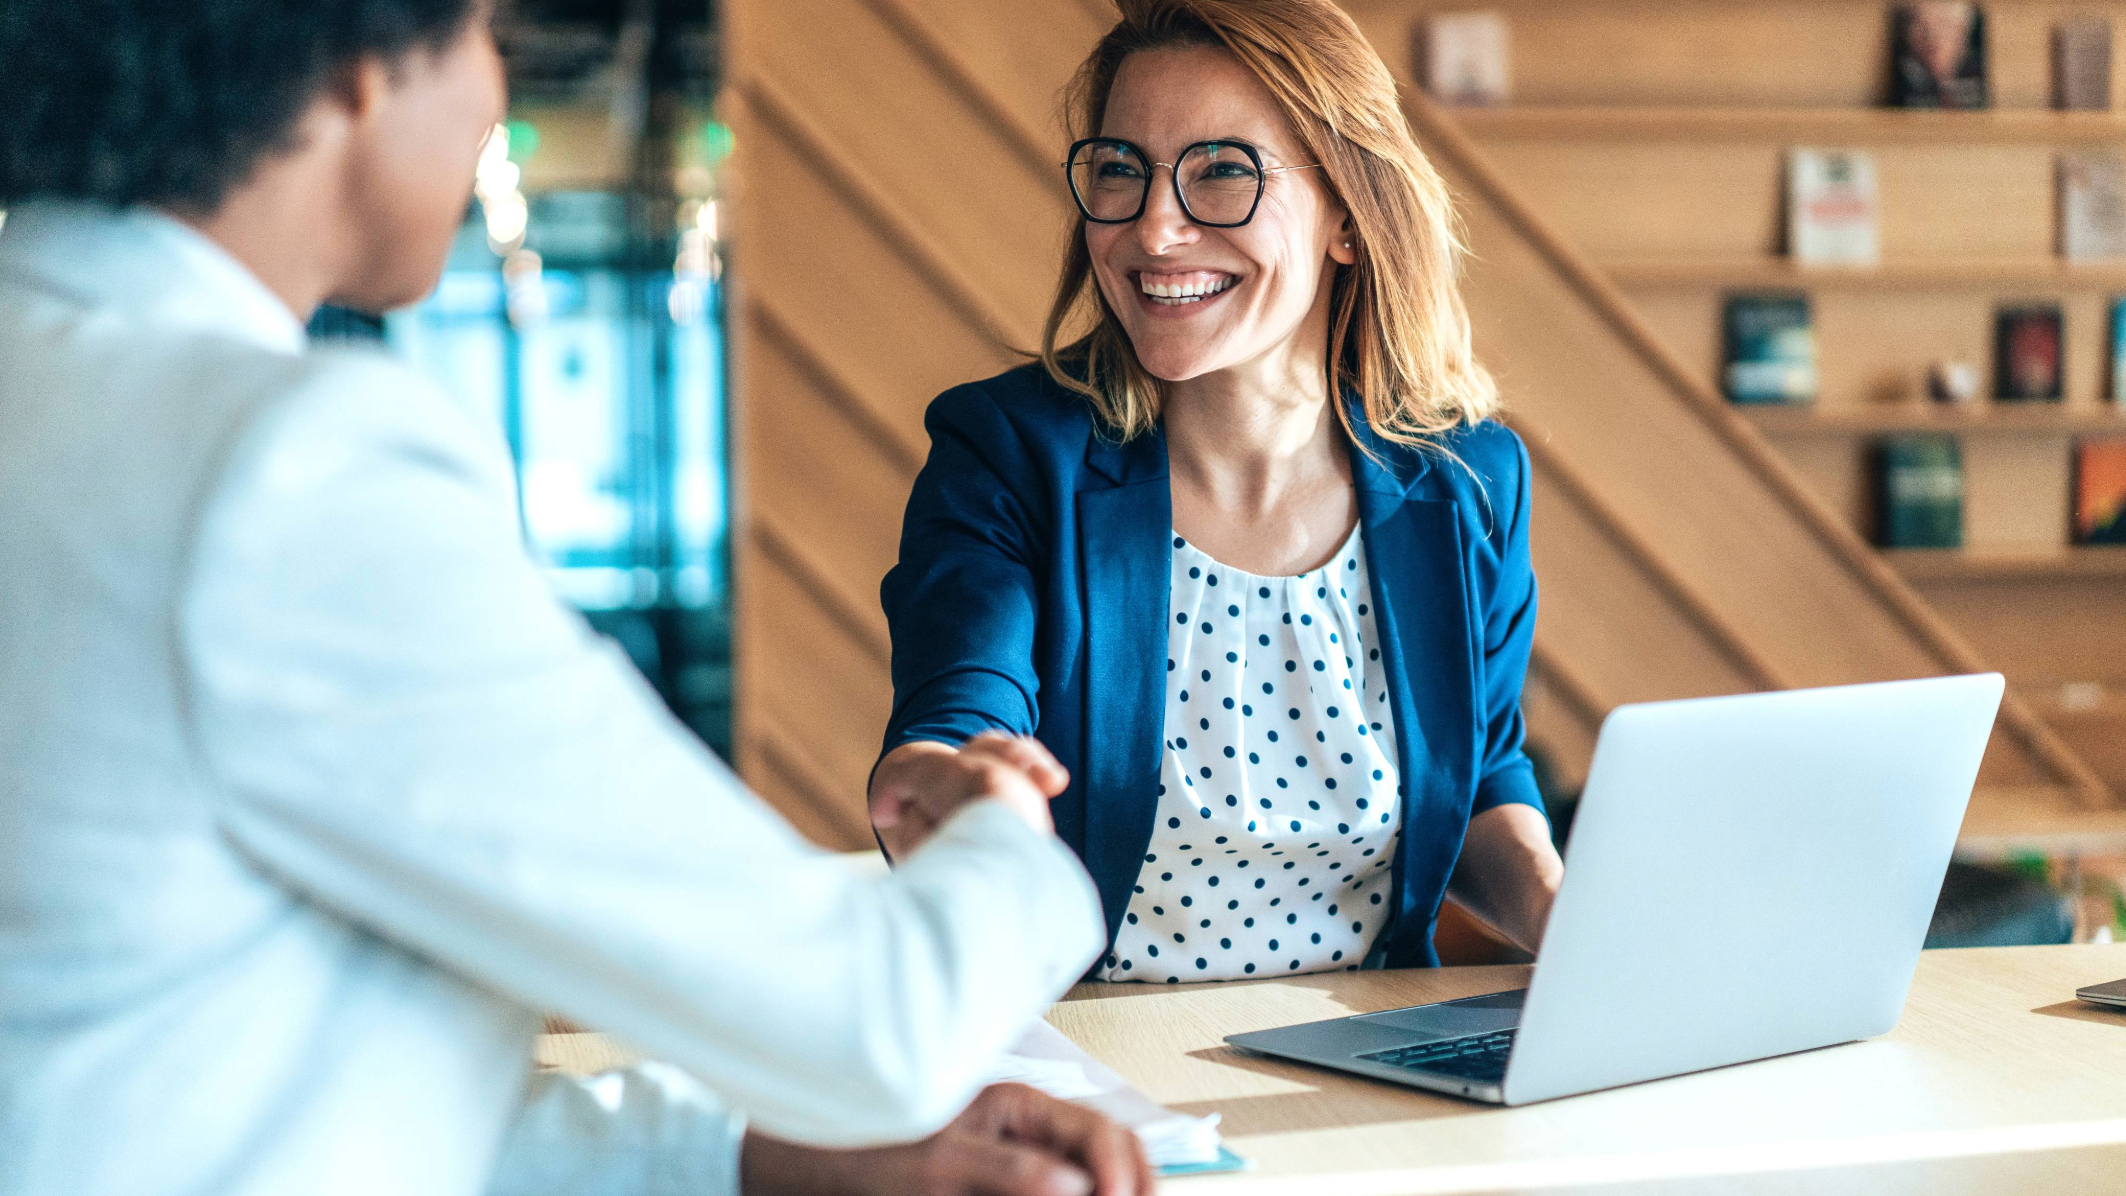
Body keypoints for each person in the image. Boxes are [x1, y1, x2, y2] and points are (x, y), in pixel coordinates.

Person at [0, 3, 1150, 1195]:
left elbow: (182, 1088)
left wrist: (752, 1157)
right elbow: (882, 1026)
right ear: (354, 69)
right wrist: (1003, 833)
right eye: (481, 33)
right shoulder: (282, 469)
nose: (496, 87)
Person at [869, 0, 1564, 984]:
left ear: (1347, 219)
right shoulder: (1007, 451)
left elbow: (1485, 771)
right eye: (1120, 170)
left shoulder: (1467, 480)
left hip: (1369, 1057)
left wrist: (1560, 909)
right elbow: (965, 704)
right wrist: (949, 780)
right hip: (1093, 1061)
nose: (1154, 229)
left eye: (1222, 173)